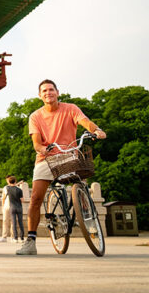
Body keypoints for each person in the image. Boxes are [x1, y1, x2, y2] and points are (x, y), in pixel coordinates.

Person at [17, 79, 106, 255]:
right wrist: (43, 148)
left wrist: (97, 130)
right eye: (44, 91)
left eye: (51, 90)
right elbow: (36, 143)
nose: (48, 93)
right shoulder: (35, 116)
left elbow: (85, 122)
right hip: (46, 158)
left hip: (69, 155)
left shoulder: (70, 108)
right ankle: (31, 241)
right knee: (35, 199)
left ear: (57, 92)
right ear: (39, 95)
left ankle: (86, 214)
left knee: (81, 181)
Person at [3, 176, 24, 242]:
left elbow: (8, 187)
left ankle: (15, 238)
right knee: (20, 223)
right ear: (15, 181)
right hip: (19, 207)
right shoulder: (20, 190)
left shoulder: (7, 189)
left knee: (14, 223)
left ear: (9, 182)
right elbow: (22, 200)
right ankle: (22, 238)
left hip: (12, 207)